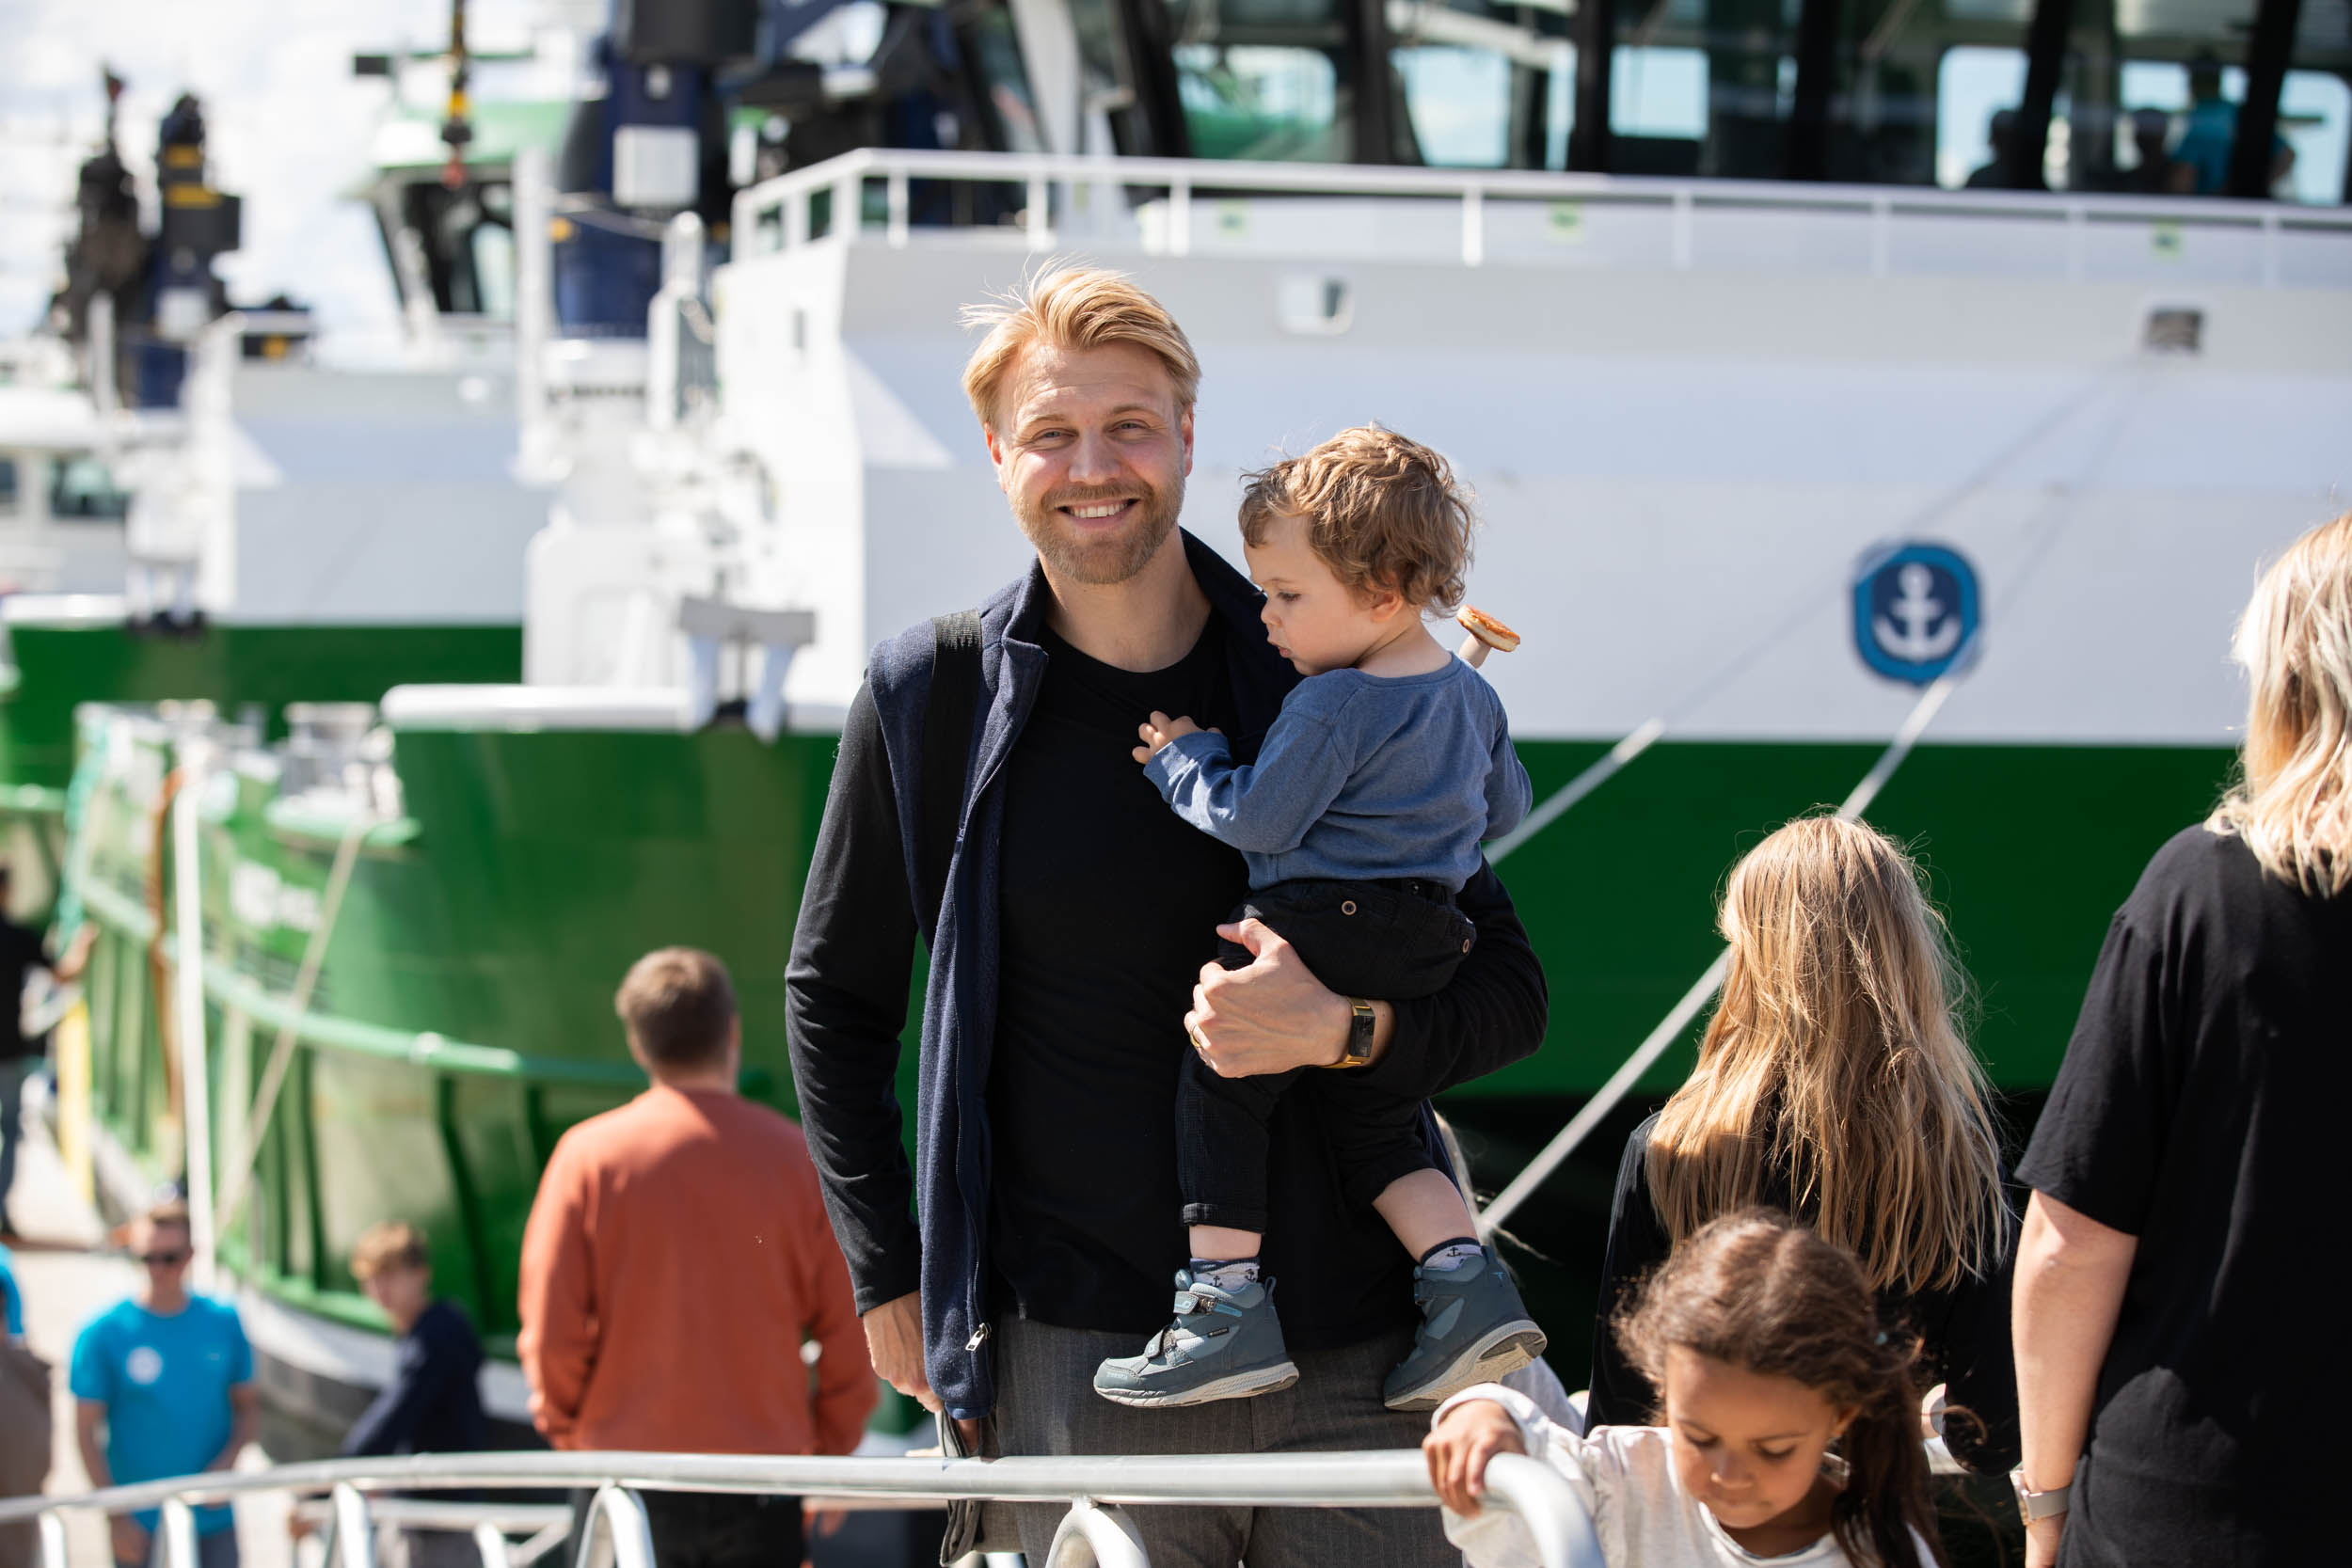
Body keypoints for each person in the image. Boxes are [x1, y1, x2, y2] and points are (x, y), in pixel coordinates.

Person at [785, 266, 1549, 1568]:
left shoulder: (1323, 665)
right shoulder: (938, 691)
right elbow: (834, 995)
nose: (1096, 465)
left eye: (1131, 424)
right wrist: (887, 1270)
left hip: (1362, 1356)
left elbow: (1508, 991)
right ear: (998, 453)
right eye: (1052, 432)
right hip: (1080, 1364)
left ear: (1188, 434)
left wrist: (1345, 1029)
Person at [1095, 426, 1540, 1414]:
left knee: (1221, 1083)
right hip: (1427, 936)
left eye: (1288, 596)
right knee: (1378, 1121)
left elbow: (1258, 815)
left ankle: (1223, 1309)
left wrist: (1184, 761)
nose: (1266, 618)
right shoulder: (1469, 695)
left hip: (1311, 921)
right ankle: (1467, 1285)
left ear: (1383, 591)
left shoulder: (1329, 700)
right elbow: (1499, 814)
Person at [2010, 512, 2348, 1566]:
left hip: (2197, 1509)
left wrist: (2042, 1504)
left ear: (2287, 682)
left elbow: (2070, 1243)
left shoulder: (2203, 892)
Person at [1587, 816, 2018, 1473]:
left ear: (1753, 958)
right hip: (1871, 1525)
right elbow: (1995, 1428)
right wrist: (1931, 1417)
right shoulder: (1957, 1159)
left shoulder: (1670, 1152)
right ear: (1907, 953)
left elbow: (1621, 1421)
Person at [518, 947, 874, 1568]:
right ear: (732, 1031)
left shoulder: (588, 1158)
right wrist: (829, 1454)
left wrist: (572, 1431)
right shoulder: (796, 1161)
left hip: (625, 1473)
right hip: (762, 1481)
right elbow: (852, 1332)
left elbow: (552, 1327)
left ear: (638, 1043)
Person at [1428, 1210, 1943, 1568]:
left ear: (1842, 1415)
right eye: (1698, 1436)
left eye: (1774, 1450)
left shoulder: (1884, 1554)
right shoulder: (1621, 1477)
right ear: (1664, 1391)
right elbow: (1514, 1515)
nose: (1730, 1475)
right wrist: (1482, 1410)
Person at [70, 1199, 257, 1568]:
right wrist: (116, 1516)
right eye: (147, 1258)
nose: (158, 1269)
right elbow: (84, 1432)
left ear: (190, 1256)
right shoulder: (102, 1333)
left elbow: (248, 1409)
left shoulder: (224, 1321)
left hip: (213, 1518)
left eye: (169, 1258)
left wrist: (228, 1462)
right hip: (139, 1523)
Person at [340, 1222, 487, 1568]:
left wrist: (330, 1477)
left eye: (389, 1274)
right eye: (371, 1278)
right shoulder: (431, 1332)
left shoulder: (433, 1339)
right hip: (429, 1508)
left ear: (421, 1274)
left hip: (441, 1516)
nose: (379, 1288)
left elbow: (394, 1416)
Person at [0, 870, 93, 1239]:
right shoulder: (19, 937)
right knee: (10, 1132)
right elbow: (64, 975)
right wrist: (83, 945)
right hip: (9, 1052)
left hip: (10, 1052)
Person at [2169, 54, 2293, 196]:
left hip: (2215, 208)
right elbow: (2287, 155)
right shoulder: (2239, 113)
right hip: (2241, 207)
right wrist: (2252, 189)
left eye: (2198, 77)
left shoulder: (2203, 114)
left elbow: (2183, 177)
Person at [1964, 109, 2018, 188]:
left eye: (2006, 137)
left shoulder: (2026, 179)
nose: (2005, 142)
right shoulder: (1979, 178)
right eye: (2000, 136)